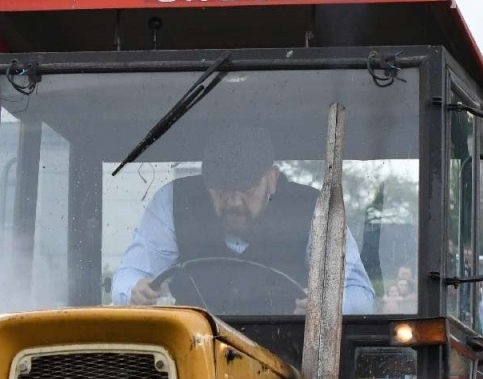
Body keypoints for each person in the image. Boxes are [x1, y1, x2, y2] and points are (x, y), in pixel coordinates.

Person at [113, 125, 376, 312]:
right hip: (192, 354)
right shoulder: (173, 200)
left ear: (271, 179)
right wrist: (135, 290)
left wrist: (327, 305)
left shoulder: (313, 208)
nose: (234, 203)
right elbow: (130, 274)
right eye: (222, 191)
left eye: (247, 189)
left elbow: (359, 293)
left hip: (290, 360)